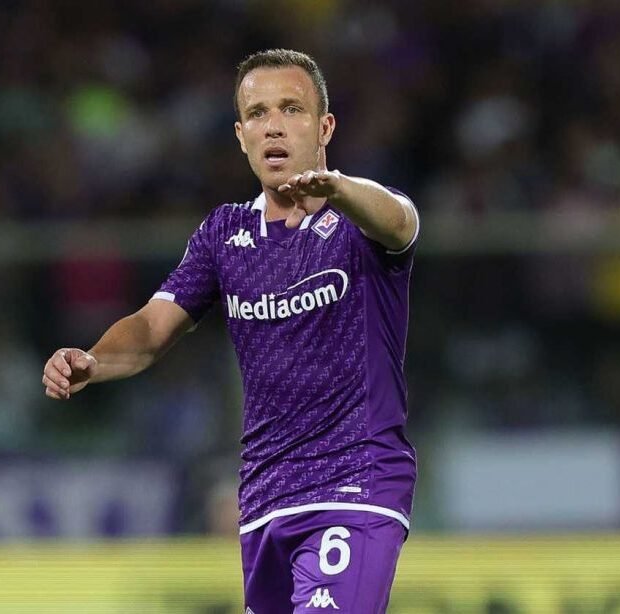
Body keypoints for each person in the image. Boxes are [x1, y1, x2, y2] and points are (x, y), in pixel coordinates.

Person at [41, 48, 419, 613]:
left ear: (325, 127)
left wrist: (338, 188)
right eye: (258, 113)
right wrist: (93, 360)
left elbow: (401, 222)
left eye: (292, 109)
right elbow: (151, 327)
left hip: (355, 484)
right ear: (241, 136)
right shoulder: (224, 234)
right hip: (265, 496)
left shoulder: (360, 221)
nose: (274, 126)